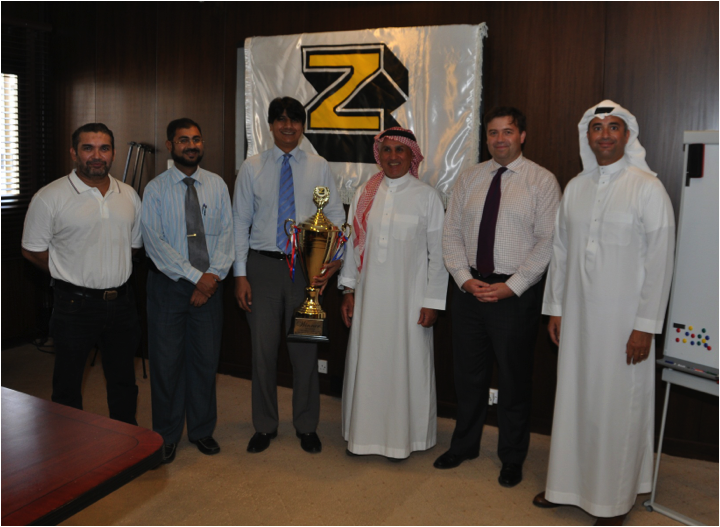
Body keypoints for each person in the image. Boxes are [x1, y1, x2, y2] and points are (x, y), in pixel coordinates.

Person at [533, 101, 675, 525]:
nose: (605, 135)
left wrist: (645, 328)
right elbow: (560, 252)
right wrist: (556, 309)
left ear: (627, 135)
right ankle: (566, 486)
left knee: (618, 408)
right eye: (597, 127)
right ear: (588, 137)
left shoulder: (647, 188)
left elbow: (660, 263)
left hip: (624, 325)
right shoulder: (576, 187)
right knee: (575, 401)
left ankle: (613, 499)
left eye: (614, 127)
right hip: (578, 320)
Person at [438, 107, 561, 487]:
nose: (500, 139)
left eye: (507, 132)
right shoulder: (469, 177)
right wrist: (463, 278)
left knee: (514, 380)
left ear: (522, 136)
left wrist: (514, 285)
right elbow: (450, 233)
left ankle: (512, 456)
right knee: (468, 377)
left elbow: (548, 242)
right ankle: (464, 445)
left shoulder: (542, 181)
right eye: (493, 133)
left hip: (514, 296)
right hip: (469, 292)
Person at [233, 97, 345, 454]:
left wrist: (332, 262)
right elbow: (239, 222)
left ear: (302, 126)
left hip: (305, 272)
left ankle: (306, 425)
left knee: (305, 352)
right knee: (263, 353)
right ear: (270, 125)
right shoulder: (252, 167)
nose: (288, 126)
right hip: (262, 268)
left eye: (294, 120)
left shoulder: (318, 166)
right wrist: (240, 275)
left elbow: (336, 217)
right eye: (280, 119)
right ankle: (264, 425)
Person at [338, 128, 448, 460]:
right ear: (379, 155)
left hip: (410, 302)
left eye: (401, 150)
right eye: (386, 150)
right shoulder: (365, 193)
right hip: (369, 298)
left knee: (407, 366)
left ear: (412, 155)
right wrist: (348, 290)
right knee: (368, 364)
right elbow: (352, 247)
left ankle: (406, 439)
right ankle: (363, 437)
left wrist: (433, 301)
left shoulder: (427, 196)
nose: (393, 156)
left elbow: (439, 255)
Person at [21, 123, 142, 425]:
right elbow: (32, 250)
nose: (97, 156)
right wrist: (68, 270)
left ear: (113, 153)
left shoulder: (128, 195)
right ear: (74, 153)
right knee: (68, 386)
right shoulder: (50, 196)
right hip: (74, 306)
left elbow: (133, 246)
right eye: (88, 148)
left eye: (104, 148)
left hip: (122, 305)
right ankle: (68, 448)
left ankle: (127, 443)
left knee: (124, 382)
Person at [141, 118, 234, 464]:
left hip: (210, 286)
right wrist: (197, 278)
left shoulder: (217, 185)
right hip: (169, 287)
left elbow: (227, 236)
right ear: (170, 146)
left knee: (205, 362)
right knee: (166, 365)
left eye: (196, 139)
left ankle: (201, 430)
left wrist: (211, 278)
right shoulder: (155, 190)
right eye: (183, 140)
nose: (191, 146)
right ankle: (166, 436)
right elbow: (155, 244)